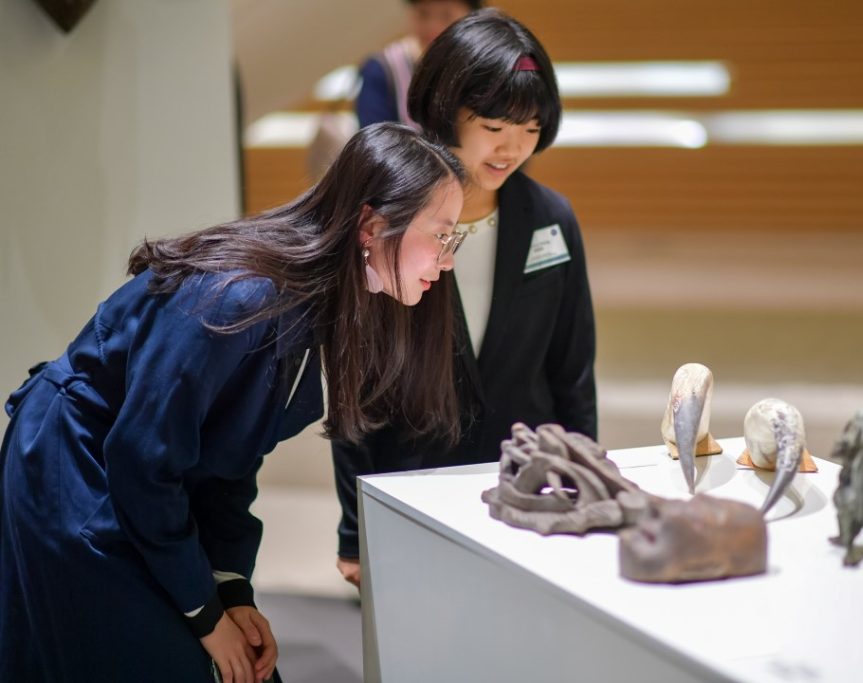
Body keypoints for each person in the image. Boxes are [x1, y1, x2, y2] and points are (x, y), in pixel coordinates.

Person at [0, 123, 465, 683]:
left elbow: (230, 460)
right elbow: (143, 458)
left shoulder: (316, 300)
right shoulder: (239, 297)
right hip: (75, 467)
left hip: (140, 476)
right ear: (371, 225)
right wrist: (205, 613)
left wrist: (230, 588)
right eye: (442, 235)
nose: (447, 261)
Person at [333, 9, 597, 587]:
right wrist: (354, 529)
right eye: (494, 126)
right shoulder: (390, 224)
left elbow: (573, 371)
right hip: (415, 489)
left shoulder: (551, 219)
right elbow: (356, 384)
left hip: (529, 492)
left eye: (531, 129)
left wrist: (584, 484)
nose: (512, 148)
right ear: (447, 107)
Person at [354, 0, 483, 128]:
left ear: (471, 18)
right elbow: (373, 134)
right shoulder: (382, 70)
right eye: (423, 14)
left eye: (446, 15)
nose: (432, 26)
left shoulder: (481, 68)